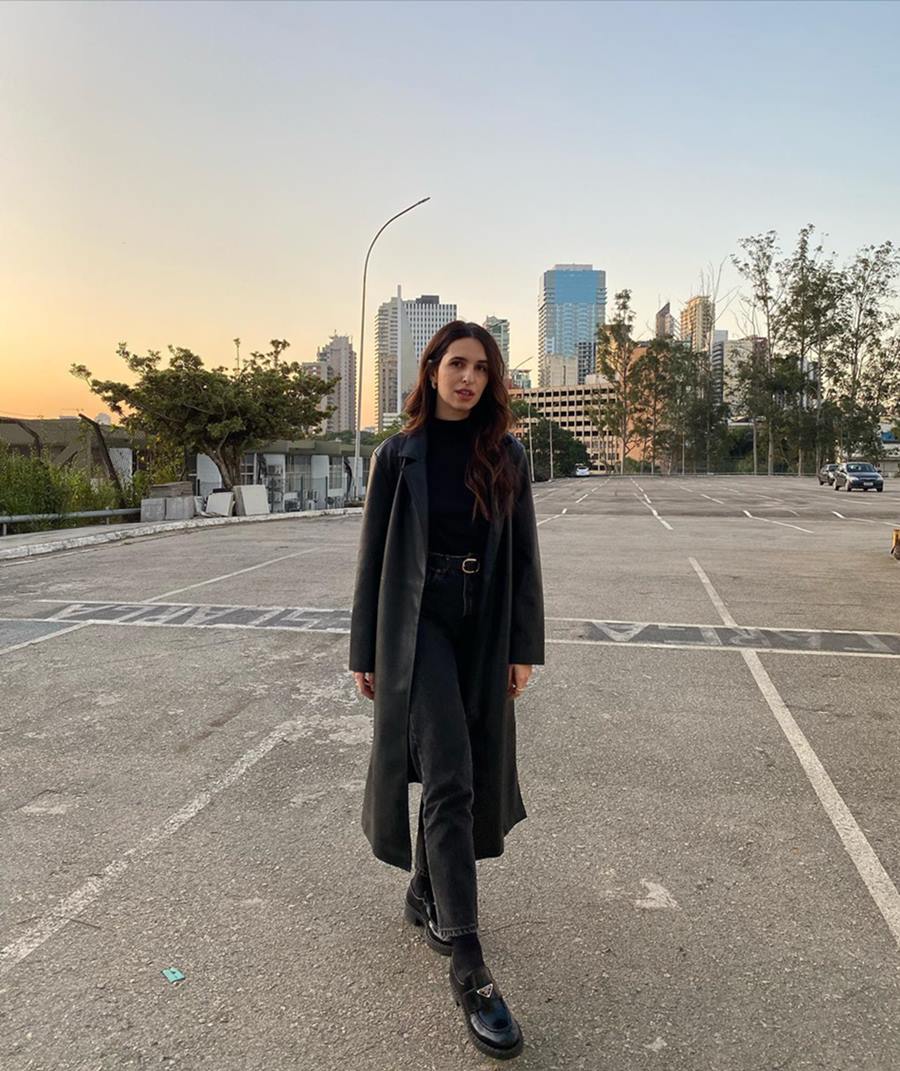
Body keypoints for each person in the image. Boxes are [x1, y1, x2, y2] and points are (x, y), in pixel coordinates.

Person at [349, 320, 544, 1060]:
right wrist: (365, 648)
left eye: (481, 368)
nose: (468, 377)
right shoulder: (397, 456)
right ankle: (469, 965)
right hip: (416, 624)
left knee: (457, 763)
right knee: (454, 775)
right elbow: (373, 559)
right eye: (455, 364)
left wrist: (522, 646)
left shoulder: (510, 455)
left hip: (483, 624)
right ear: (431, 372)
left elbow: (524, 555)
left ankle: (422, 891)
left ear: (492, 381)